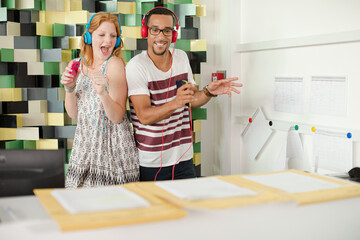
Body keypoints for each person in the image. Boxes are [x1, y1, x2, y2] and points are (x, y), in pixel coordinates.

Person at [126, 7, 242, 181]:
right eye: (155, 30)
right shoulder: (136, 66)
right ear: (146, 32)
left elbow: (190, 101)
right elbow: (144, 116)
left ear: (173, 35)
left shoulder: (180, 58)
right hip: (152, 162)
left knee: (188, 207)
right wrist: (176, 102)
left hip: (184, 157)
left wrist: (208, 92)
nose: (161, 36)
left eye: (167, 31)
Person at [61, 12, 139, 188]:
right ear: (89, 37)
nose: (108, 41)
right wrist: (69, 87)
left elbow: (117, 117)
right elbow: (74, 114)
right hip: (84, 149)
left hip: (111, 152)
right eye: (102, 35)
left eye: (113, 36)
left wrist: (102, 93)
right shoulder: (78, 64)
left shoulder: (114, 65)